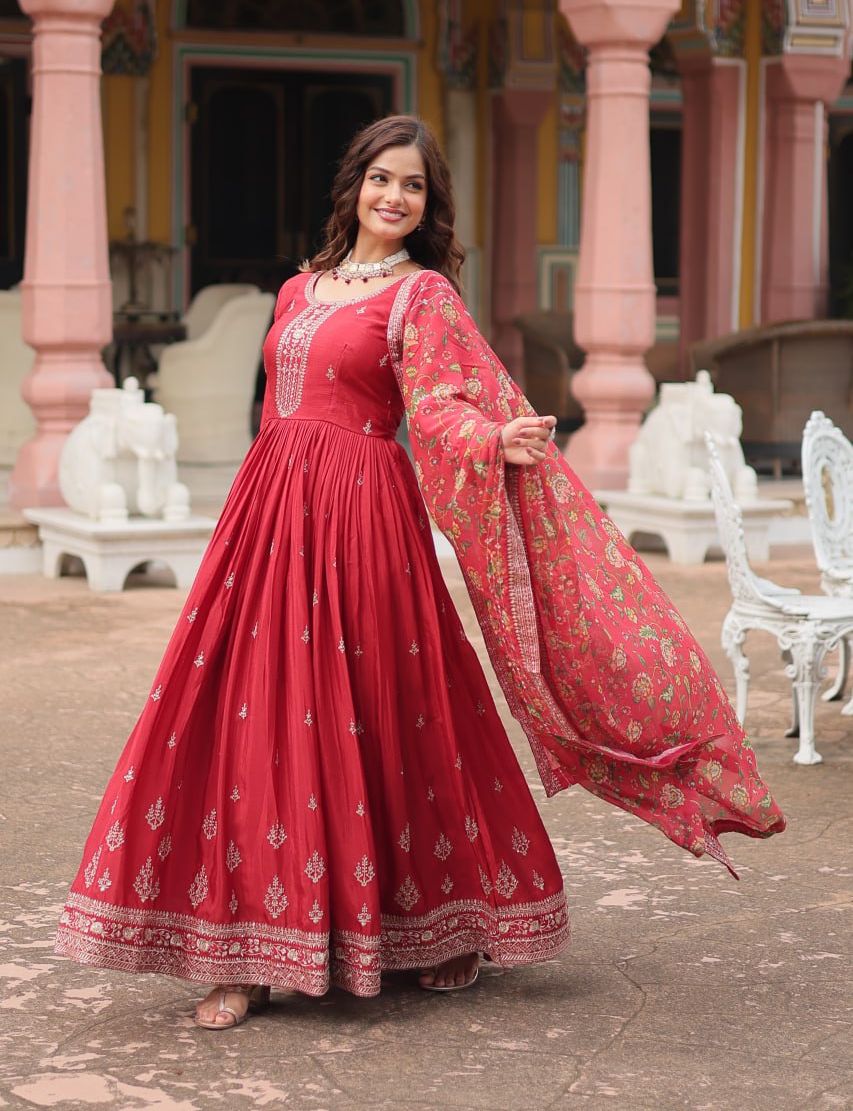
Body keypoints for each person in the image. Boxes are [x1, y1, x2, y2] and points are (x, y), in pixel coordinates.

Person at [56, 115, 784, 1030]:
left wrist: (494, 436)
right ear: (353, 184)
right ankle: (238, 950)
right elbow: (279, 403)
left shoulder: (422, 297)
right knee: (248, 709)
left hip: (364, 513)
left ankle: (443, 928)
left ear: (427, 206)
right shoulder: (297, 288)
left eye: (413, 187)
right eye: (381, 179)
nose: (394, 198)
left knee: (390, 706)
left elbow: (435, 407)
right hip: (269, 511)